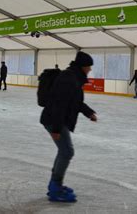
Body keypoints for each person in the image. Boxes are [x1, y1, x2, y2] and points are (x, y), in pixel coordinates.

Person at [40, 51, 98, 202]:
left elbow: (75, 101)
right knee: (67, 152)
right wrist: (56, 129)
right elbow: (60, 104)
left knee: (64, 151)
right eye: (89, 67)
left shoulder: (74, 77)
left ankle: (54, 185)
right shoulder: (69, 79)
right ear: (83, 66)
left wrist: (88, 112)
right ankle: (55, 188)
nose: (90, 70)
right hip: (54, 120)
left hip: (57, 119)